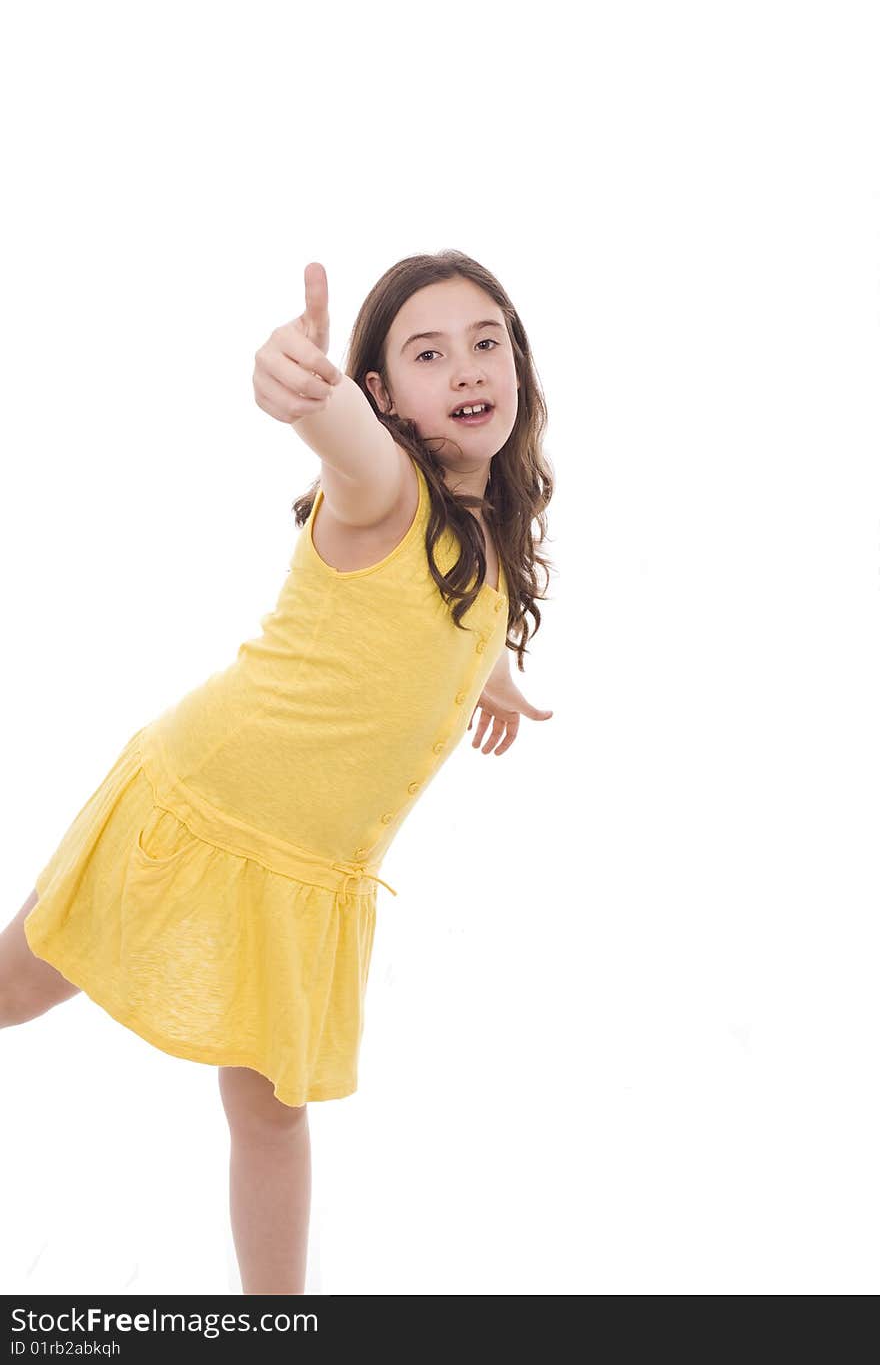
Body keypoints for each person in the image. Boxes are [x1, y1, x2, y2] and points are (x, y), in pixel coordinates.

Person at [0, 250, 555, 1295]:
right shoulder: (382, 487)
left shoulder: (482, 531)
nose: (467, 366)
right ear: (385, 394)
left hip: (299, 875)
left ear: (518, 367)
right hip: (201, 807)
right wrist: (303, 388)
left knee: (271, 1112)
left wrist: (497, 676)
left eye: (487, 342)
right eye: (428, 353)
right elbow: (343, 440)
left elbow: (456, 617)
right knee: (18, 985)